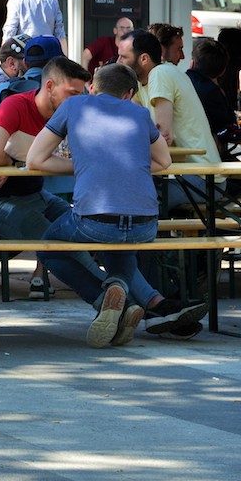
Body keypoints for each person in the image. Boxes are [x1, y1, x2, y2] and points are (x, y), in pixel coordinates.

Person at [29, 63, 207, 347]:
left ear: (92, 87)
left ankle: (105, 301)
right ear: (128, 94)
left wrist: (82, 166)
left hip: (94, 220)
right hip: (145, 223)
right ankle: (136, 298)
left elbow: (34, 159)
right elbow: (165, 161)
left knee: (50, 247)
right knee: (120, 240)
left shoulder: (73, 106)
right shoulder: (139, 112)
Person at [0, 56, 94, 300]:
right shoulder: (15, 105)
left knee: (84, 228)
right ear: (49, 86)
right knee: (60, 242)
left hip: (37, 195)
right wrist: (20, 161)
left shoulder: (69, 113)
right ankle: (114, 295)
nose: (77, 101)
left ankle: (125, 295)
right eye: (72, 93)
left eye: (81, 94)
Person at [120, 29, 218, 210]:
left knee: (130, 196)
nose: (118, 63)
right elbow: (135, 128)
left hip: (203, 178)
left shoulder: (160, 74)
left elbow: (164, 136)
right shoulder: (141, 83)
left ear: (143, 59)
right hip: (180, 174)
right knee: (123, 189)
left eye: (123, 57)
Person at [185, 38, 239, 160]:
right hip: (206, 152)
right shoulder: (212, 91)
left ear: (193, 62)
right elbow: (228, 124)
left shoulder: (183, 81)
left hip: (187, 148)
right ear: (222, 71)